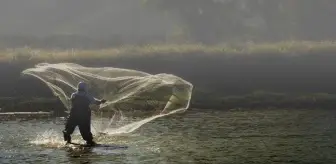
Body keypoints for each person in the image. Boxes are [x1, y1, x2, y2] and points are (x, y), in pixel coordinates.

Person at [62, 82, 106, 146]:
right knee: (86, 131)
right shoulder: (87, 95)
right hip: (84, 116)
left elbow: (72, 102)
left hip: (74, 114)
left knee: (68, 129)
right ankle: (89, 143)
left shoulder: (73, 94)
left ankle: (68, 140)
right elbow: (96, 102)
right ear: (85, 88)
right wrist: (101, 101)